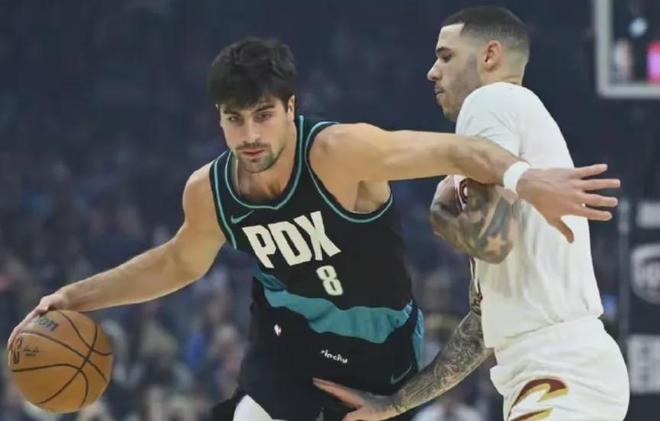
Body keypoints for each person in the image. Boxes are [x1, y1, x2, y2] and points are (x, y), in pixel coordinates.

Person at [8, 37, 620, 421]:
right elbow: (176, 262)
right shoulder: (210, 189)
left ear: (291, 109)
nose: (250, 135)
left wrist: (525, 179)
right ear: (219, 120)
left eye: (264, 115)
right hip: (288, 344)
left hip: (379, 351)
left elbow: (455, 151)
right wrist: (74, 296)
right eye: (235, 119)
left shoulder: (340, 152)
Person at [313, 7, 629, 421]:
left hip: (559, 367)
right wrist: (394, 404)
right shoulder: (517, 117)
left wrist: (440, 213)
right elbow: (481, 329)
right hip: (557, 369)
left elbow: (491, 241)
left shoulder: (489, 100)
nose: (432, 72)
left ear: (489, 56)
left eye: (446, 56)